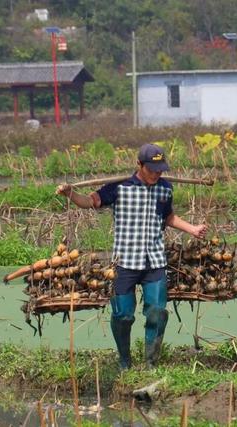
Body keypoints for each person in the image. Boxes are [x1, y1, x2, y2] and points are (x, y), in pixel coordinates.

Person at [56, 143, 207, 369]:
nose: (157, 174)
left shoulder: (165, 188)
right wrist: (71, 194)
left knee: (157, 313)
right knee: (123, 315)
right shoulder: (119, 188)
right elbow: (90, 202)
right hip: (125, 262)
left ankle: (150, 364)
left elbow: (168, 218)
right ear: (139, 165)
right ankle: (124, 362)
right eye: (152, 169)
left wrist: (192, 229)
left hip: (154, 261)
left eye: (160, 170)